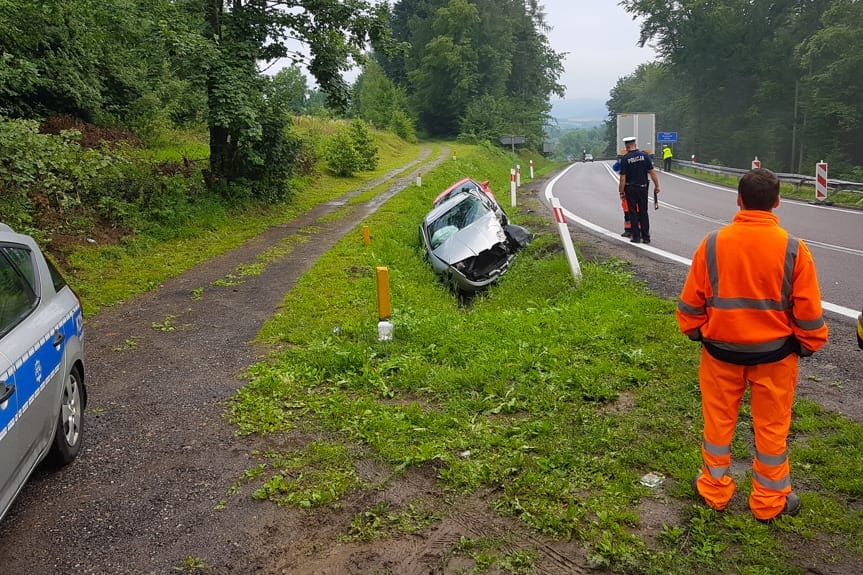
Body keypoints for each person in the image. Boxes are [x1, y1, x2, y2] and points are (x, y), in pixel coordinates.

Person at [677, 168, 829, 523]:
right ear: (777, 202)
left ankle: (714, 492)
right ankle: (769, 502)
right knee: (772, 428)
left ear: (738, 199)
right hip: (775, 357)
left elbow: (690, 303)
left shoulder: (712, 243)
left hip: (720, 354)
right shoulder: (794, 248)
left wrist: (695, 330)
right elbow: (808, 312)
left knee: (717, 424)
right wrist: (807, 344)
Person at [618, 136, 660, 244]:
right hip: (643, 188)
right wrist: (657, 186)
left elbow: (623, 178)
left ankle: (636, 237)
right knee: (643, 212)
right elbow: (652, 172)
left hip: (630, 189)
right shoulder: (644, 156)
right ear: (635, 145)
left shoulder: (625, 159)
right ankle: (646, 237)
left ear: (626, 147)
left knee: (632, 213)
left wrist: (621, 191)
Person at [613, 155, 634, 237]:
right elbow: (615, 168)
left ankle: (630, 230)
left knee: (629, 211)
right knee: (632, 210)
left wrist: (621, 192)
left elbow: (616, 169)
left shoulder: (625, 160)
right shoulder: (638, 158)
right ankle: (632, 230)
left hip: (628, 188)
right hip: (635, 188)